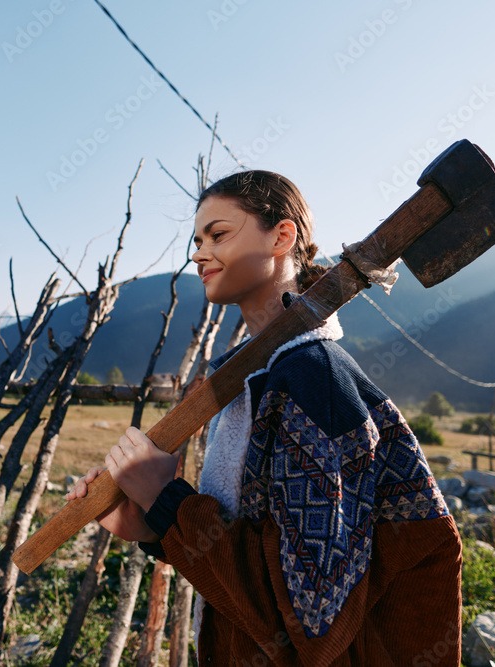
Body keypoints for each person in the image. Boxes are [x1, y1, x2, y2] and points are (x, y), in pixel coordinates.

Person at [65, 170, 463, 666]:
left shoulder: (314, 382)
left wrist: (167, 502)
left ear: (282, 236)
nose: (198, 253)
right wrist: (156, 528)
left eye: (219, 234)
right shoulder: (249, 381)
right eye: (196, 240)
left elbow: (307, 619)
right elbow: (255, 559)